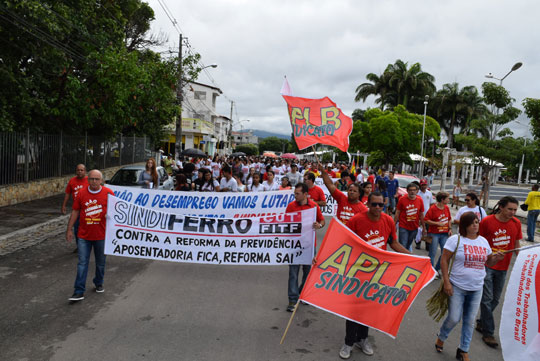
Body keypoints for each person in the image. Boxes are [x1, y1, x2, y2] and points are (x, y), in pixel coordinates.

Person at [339, 191, 410, 359]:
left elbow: (393, 243)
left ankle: (362, 339)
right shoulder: (356, 220)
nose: (378, 208)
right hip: (357, 272)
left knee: (368, 309)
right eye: (374, 204)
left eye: (381, 205)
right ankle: (348, 342)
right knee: (354, 310)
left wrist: (412, 257)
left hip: (378, 273)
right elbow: (342, 242)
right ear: (368, 204)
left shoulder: (388, 221)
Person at [435, 212, 504, 361]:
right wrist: (446, 281)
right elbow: (444, 260)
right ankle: (441, 336)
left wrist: (496, 258)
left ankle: (463, 349)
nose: (475, 225)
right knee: (454, 318)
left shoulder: (484, 242)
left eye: (477, 222)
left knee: (469, 321)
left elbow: (489, 263)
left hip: (477, 287)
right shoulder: (455, 240)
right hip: (457, 286)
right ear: (464, 225)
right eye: (472, 223)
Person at [477, 196, 522, 348]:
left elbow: (516, 245)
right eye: (510, 209)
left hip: (503, 267)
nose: (513, 212)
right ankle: (488, 332)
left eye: (515, 210)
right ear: (501, 207)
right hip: (488, 265)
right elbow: (479, 243)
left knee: (496, 299)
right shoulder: (487, 221)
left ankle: (482, 321)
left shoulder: (516, 223)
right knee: (487, 298)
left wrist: (523, 261)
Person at [66, 169, 114, 302]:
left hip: (101, 235)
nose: (94, 181)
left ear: (101, 181)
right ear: (88, 180)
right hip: (83, 235)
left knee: (100, 263)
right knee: (82, 263)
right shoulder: (81, 193)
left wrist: (109, 216)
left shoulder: (108, 193)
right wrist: (69, 229)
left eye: (97, 179)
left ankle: (99, 282)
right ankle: (78, 291)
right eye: (91, 179)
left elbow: (116, 210)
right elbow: (75, 211)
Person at [285, 183, 325, 312]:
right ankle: (292, 299)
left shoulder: (314, 206)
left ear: (305, 194)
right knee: (293, 273)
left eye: (297, 193)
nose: (295, 196)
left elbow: (322, 220)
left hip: (309, 245)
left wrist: (319, 225)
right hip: (295, 245)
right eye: (294, 193)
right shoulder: (291, 206)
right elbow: (285, 223)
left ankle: (302, 294)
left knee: (308, 271)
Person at [61, 164, 88, 253]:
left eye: (81, 170)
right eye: (78, 170)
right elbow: (68, 194)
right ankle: (80, 246)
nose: (80, 172)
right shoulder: (72, 181)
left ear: (85, 171)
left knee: (88, 228)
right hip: (77, 210)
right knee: (76, 229)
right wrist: (64, 205)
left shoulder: (89, 180)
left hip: (88, 210)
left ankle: (88, 245)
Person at [425, 192, 452, 275]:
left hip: (444, 233)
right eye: (447, 198)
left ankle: (436, 269)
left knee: (445, 253)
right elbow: (426, 220)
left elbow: (449, 219)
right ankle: (431, 271)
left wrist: (450, 229)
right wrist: (437, 223)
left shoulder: (447, 208)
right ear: (442, 199)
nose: (449, 200)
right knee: (432, 252)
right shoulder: (433, 209)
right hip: (434, 233)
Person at [395, 182, 425, 251]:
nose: (412, 192)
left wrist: (423, 227)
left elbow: (421, 214)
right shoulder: (402, 199)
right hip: (403, 226)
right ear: (407, 191)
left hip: (414, 227)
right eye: (410, 190)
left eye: (414, 190)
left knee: (408, 245)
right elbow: (397, 212)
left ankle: (406, 259)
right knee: (403, 245)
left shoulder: (420, 200)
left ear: (417, 191)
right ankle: (402, 260)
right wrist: (394, 225)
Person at [415, 179, 434, 250]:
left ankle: (427, 245)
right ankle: (418, 243)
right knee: (418, 230)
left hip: (427, 215)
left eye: (425, 185)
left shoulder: (429, 193)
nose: (423, 186)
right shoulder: (417, 194)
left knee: (428, 230)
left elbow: (431, 204)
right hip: (418, 215)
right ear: (420, 185)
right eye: (422, 185)